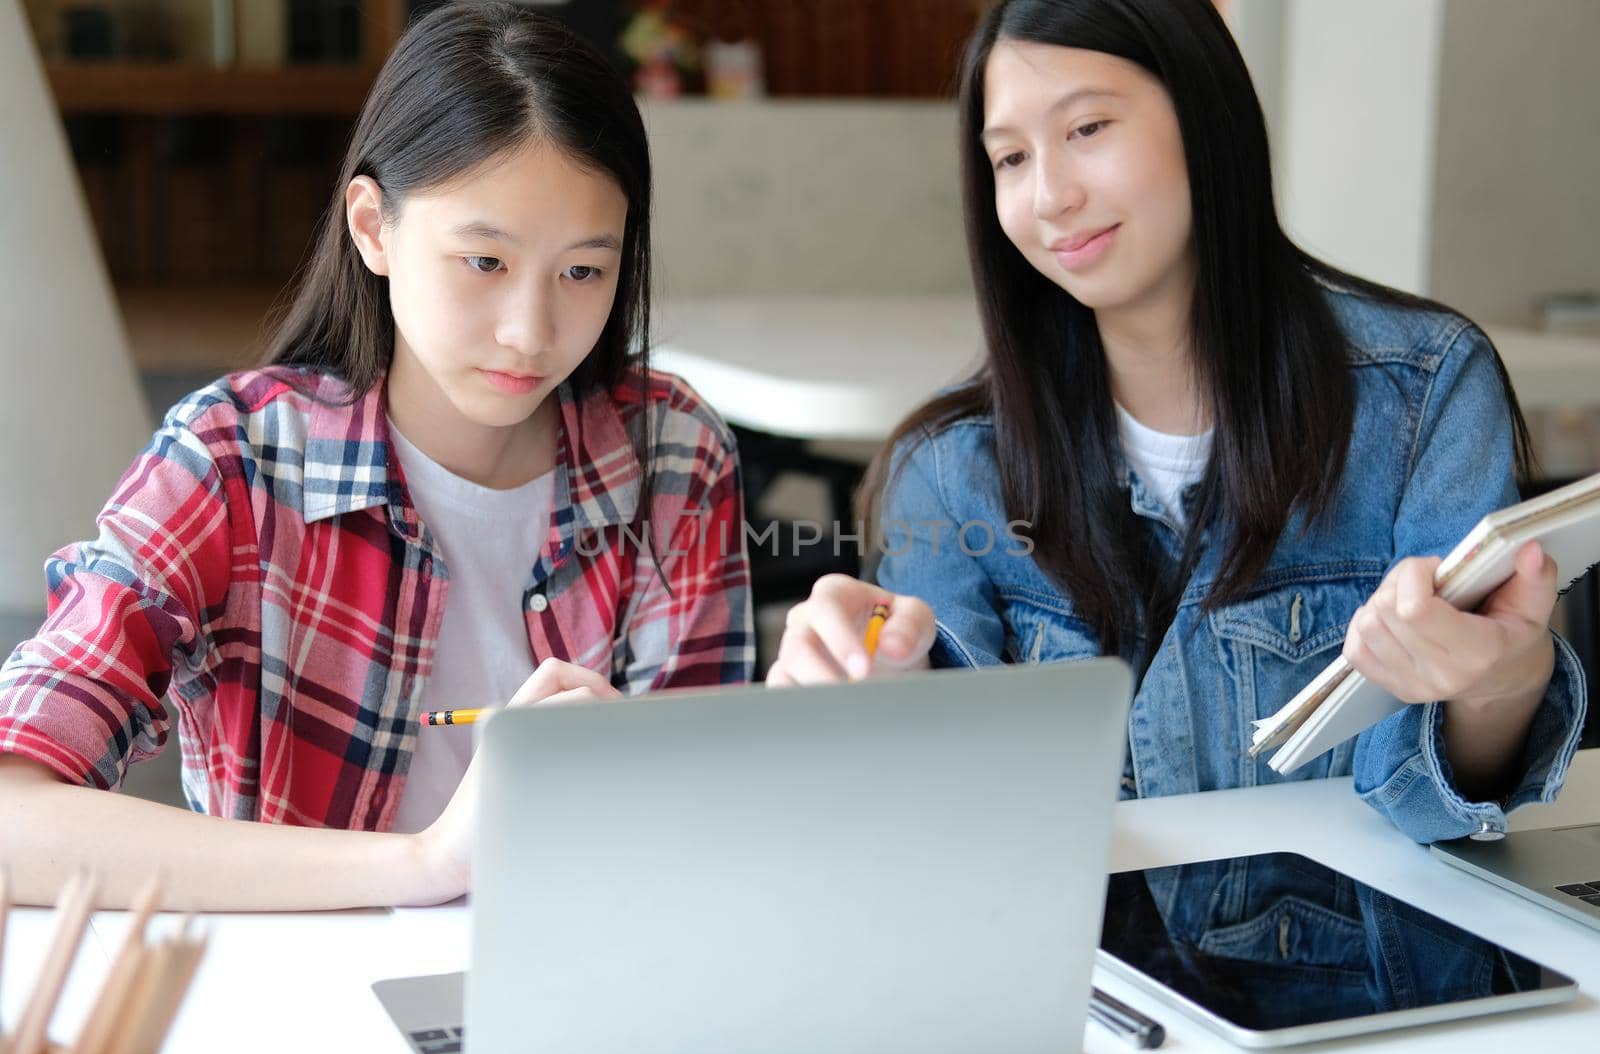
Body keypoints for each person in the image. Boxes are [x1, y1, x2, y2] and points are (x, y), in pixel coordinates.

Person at [768, 0, 1585, 845]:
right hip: (1086, 962)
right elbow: (945, 826)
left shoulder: (1422, 394)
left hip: (1371, 960)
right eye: (1010, 157)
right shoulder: (948, 469)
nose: (1050, 195)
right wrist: (874, 698)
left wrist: (1500, 683)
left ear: (1204, 115)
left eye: (1086, 128)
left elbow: (1431, 807)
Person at [0, 2, 753, 910]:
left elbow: (703, 829)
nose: (533, 331)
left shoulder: (673, 456)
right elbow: (14, 815)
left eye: (583, 271)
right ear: (373, 227)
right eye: (484, 261)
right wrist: (426, 863)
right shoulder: (233, 460)